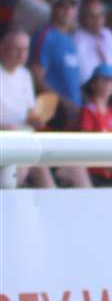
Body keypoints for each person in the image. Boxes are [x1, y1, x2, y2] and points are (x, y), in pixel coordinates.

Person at [0, 28, 55, 187]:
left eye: (25, 49)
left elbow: (29, 111)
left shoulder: (25, 74)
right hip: (6, 140)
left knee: (43, 169)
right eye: (17, 49)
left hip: (25, 139)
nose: (22, 54)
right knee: (24, 164)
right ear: (2, 48)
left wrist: (37, 119)